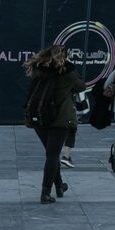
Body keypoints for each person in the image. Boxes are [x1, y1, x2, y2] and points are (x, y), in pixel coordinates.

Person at [24, 44, 81, 204]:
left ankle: (59, 186)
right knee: (53, 155)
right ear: (64, 56)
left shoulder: (39, 70)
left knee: (52, 154)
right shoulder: (67, 71)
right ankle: (45, 192)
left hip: (39, 117)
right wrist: (70, 67)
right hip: (60, 119)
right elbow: (81, 86)